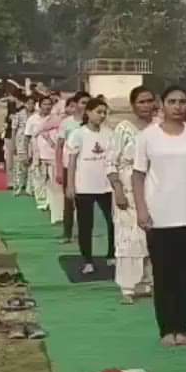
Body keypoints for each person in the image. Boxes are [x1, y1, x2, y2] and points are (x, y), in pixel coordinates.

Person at [133, 85, 186, 347]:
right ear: (163, 103)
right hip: (159, 216)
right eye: (172, 101)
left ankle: (182, 326)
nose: (178, 106)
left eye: (183, 101)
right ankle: (166, 328)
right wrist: (141, 209)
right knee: (163, 275)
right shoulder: (148, 137)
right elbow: (138, 175)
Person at [109, 87, 156, 304]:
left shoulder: (158, 129)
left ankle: (148, 281)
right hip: (127, 187)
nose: (146, 106)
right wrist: (117, 189)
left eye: (149, 101)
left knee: (151, 235)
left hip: (153, 187)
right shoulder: (123, 129)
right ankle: (127, 286)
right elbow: (111, 162)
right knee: (129, 237)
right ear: (133, 105)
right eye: (142, 102)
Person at [66, 98, 116, 275]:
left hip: (106, 187)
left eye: (104, 112)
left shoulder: (110, 133)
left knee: (113, 222)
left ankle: (112, 254)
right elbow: (71, 162)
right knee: (86, 225)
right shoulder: (78, 134)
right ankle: (87, 260)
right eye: (98, 112)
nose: (102, 116)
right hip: (84, 187)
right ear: (88, 112)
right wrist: (70, 185)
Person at [56, 91, 91, 243]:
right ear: (75, 104)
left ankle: (85, 234)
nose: (85, 106)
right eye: (83, 102)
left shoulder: (93, 122)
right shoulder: (67, 123)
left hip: (87, 167)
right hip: (68, 166)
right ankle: (67, 233)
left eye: (88, 103)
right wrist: (58, 169)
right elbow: (59, 146)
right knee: (69, 202)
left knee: (85, 204)